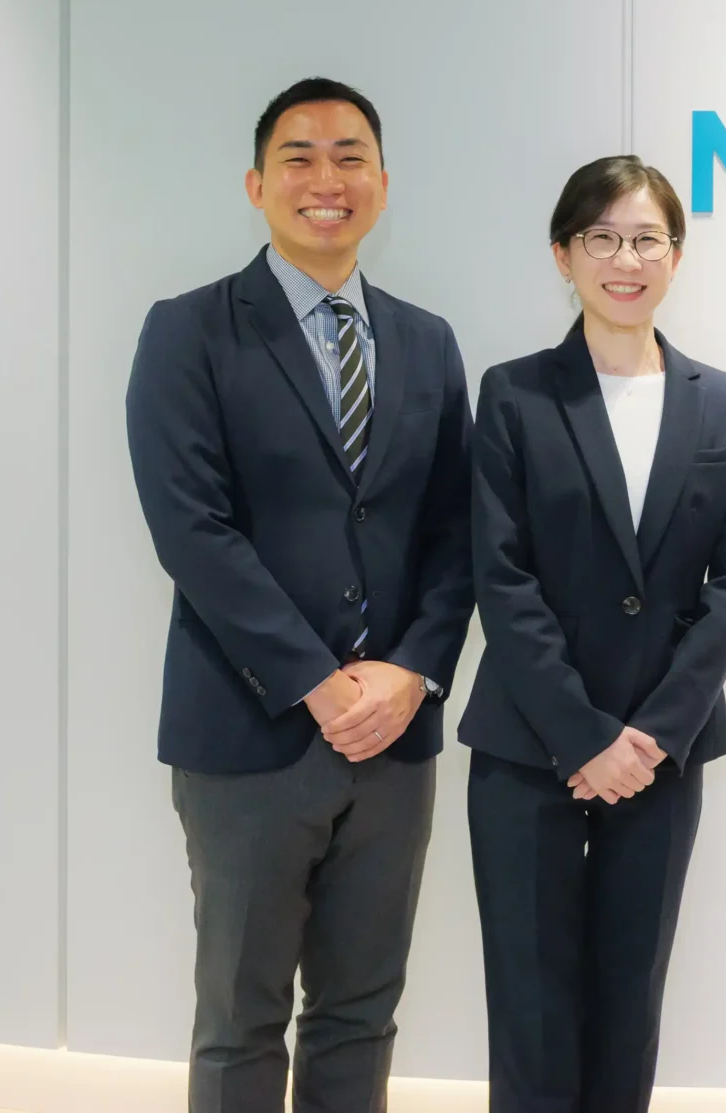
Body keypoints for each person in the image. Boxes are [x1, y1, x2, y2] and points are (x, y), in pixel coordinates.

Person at [124, 77, 474, 1111]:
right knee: (240, 1020)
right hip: (250, 734)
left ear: (382, 183)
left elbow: (457, 533)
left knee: (360, 1013)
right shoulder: (188, 330)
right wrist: (319, 683)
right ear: (256, 184)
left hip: (394, 744)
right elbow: (193, 532)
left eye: (350, 156)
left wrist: (411, 673)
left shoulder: (427, 341)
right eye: (300, 156)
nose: (328, 178)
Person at [460, 155, 726, 1112]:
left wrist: (652, 735)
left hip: (660, 754)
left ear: (676, 256)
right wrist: (582, 735)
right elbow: (501, 576)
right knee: (531, 1007)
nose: (624, 260)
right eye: (601, 237)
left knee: (630, 1002)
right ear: (564, 254)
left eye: (645, 239)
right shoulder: (514, 395)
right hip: (528, 746)